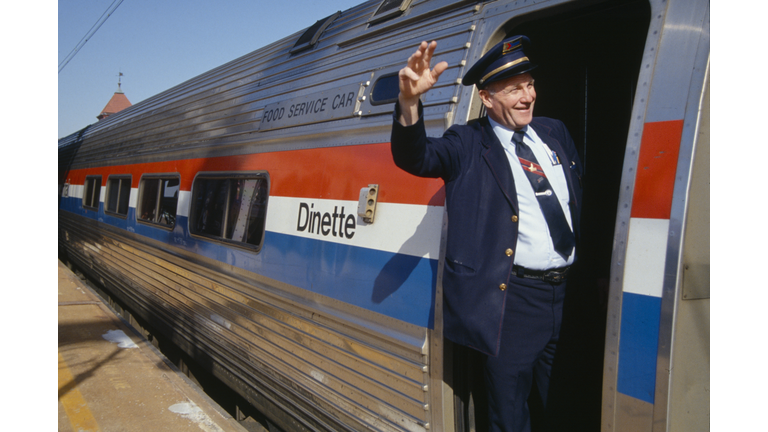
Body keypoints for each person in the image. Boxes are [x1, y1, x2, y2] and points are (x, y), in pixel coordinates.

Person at [390, 36, 583, 432]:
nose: (527, 96)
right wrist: (409, 103)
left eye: (529, 84)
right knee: (509, 413)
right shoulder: (467, 142)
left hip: (565, 295)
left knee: (563, 403)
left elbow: (576, 207)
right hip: (512, 302)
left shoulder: (554, 132)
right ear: (487, 97)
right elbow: (417, 157)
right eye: (514, 89)